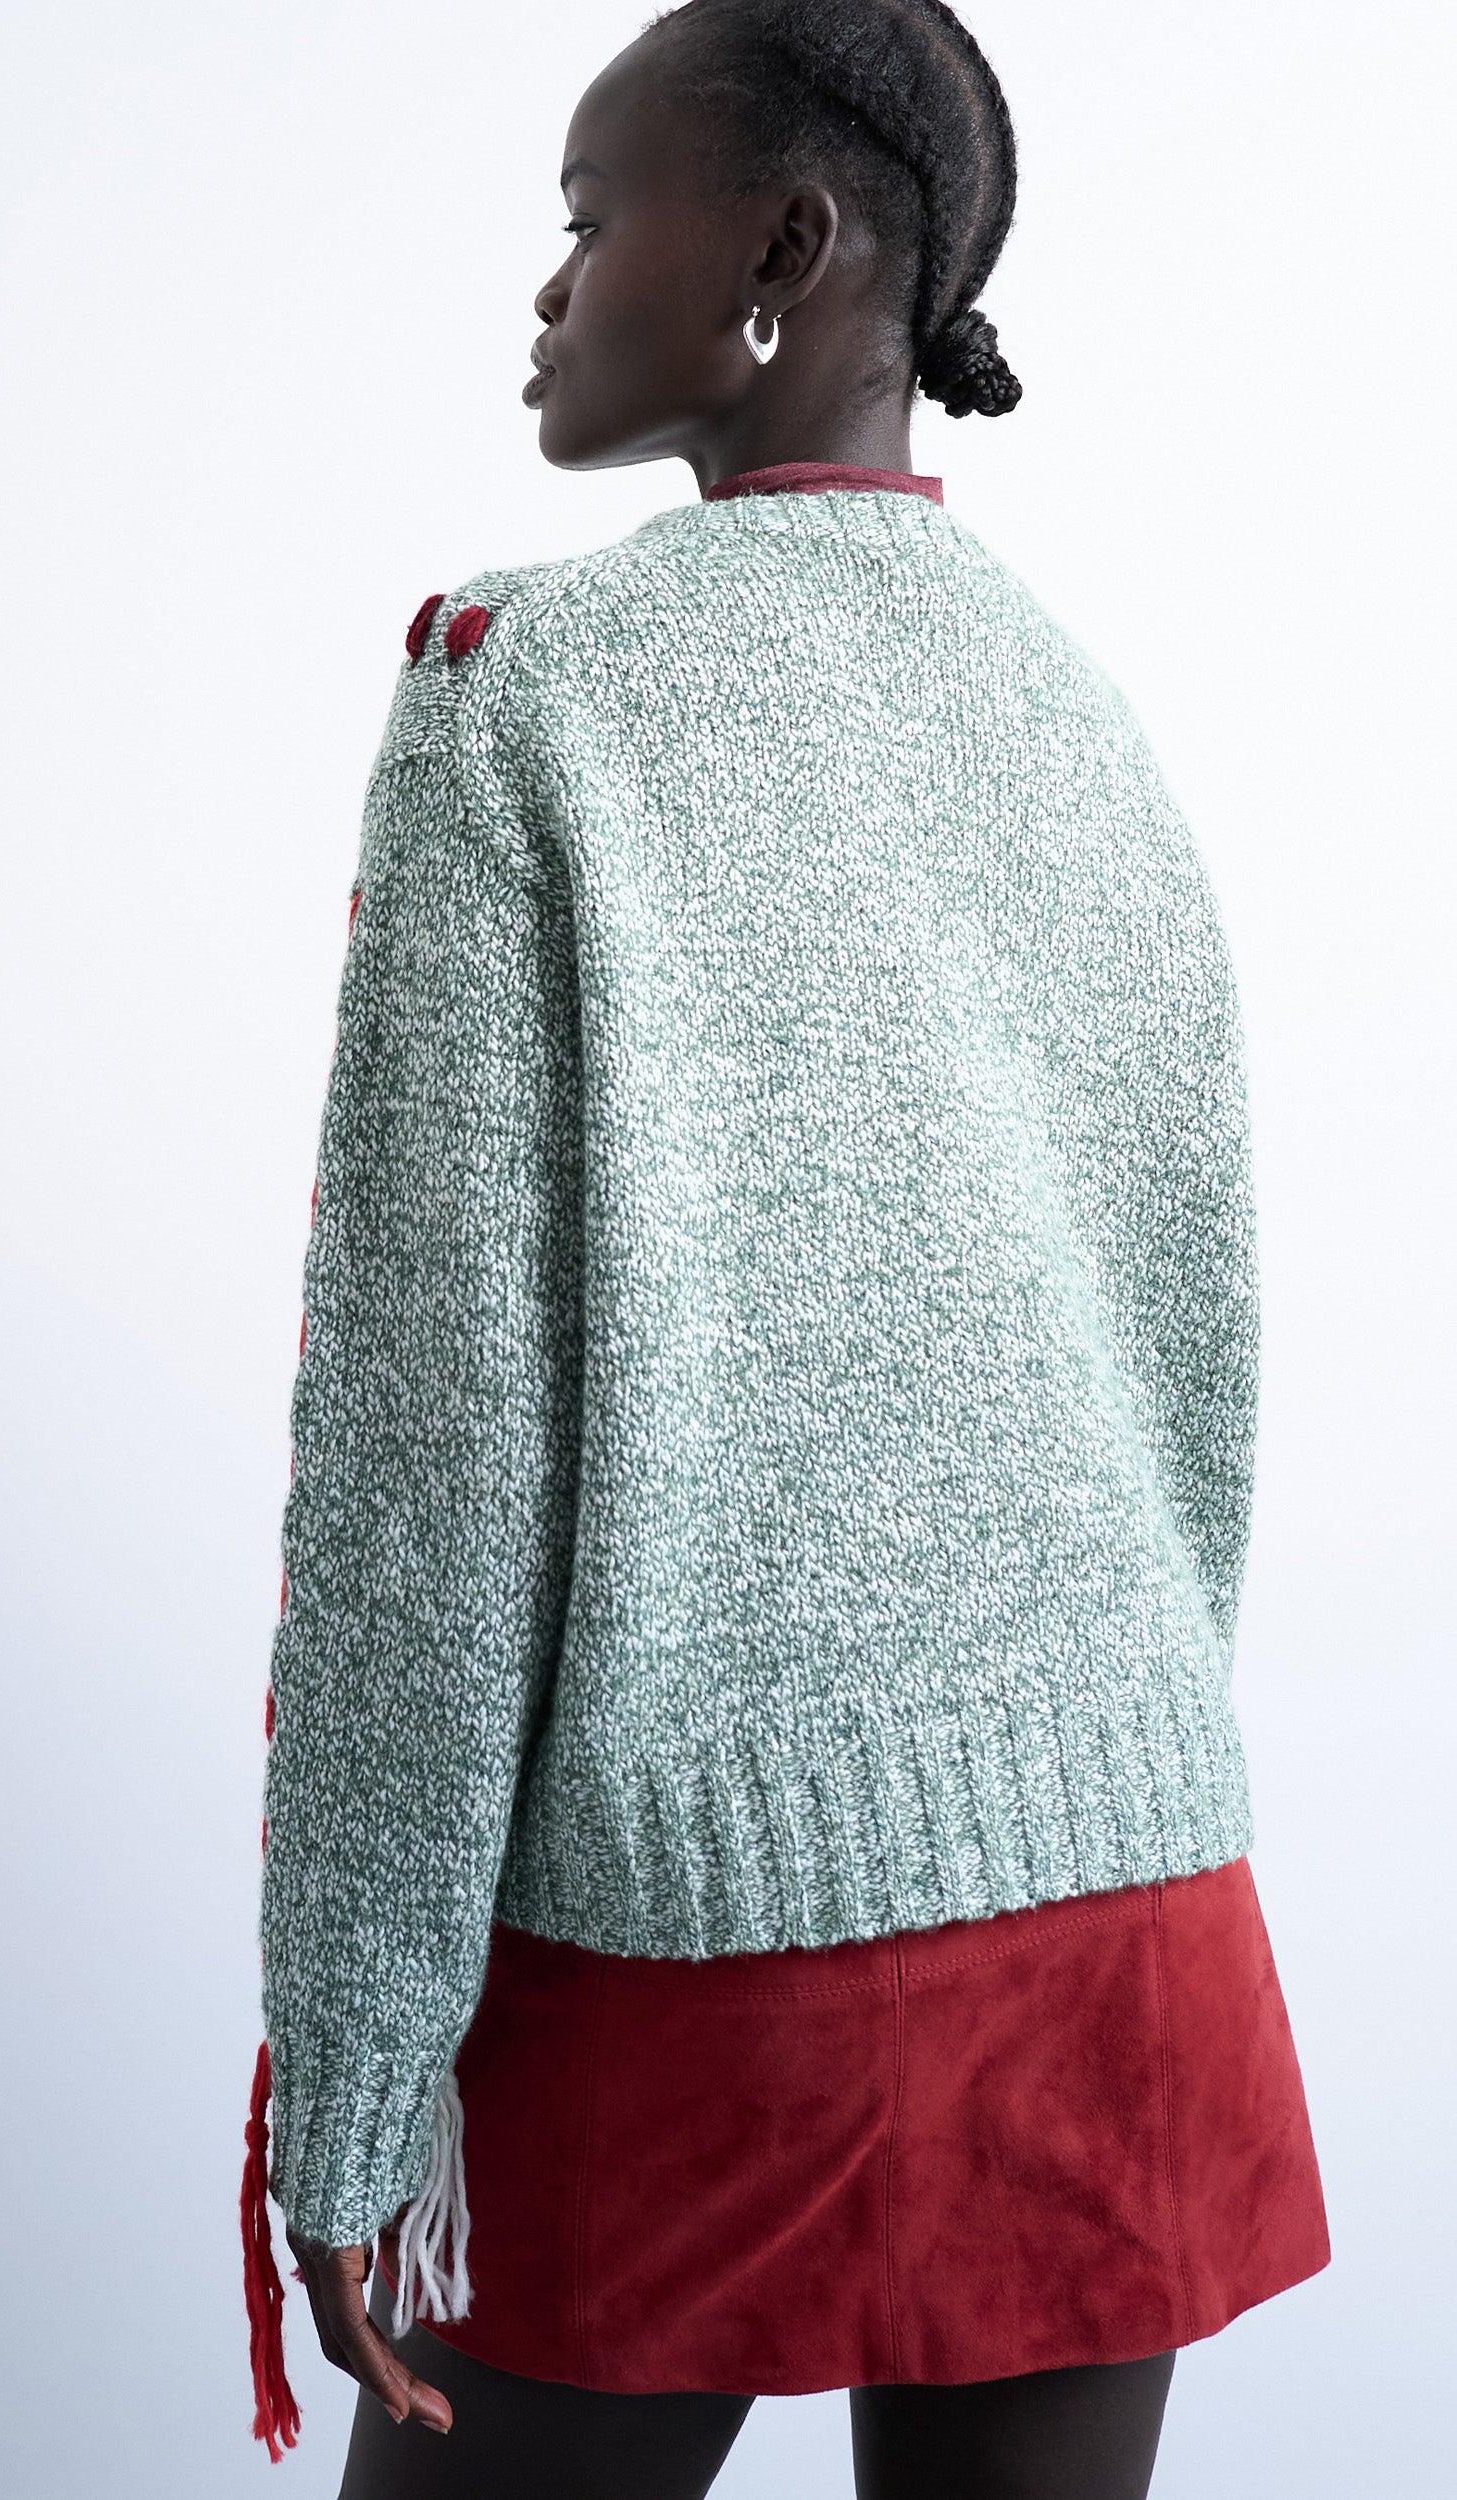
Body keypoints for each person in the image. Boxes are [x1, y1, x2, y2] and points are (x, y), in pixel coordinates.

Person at [240, 4, 1329, 2493]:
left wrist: (355, 2066)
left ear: (784, 245)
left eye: (588, 214)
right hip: (1124, 1917)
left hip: (693, 1954)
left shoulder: (523, 694)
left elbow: (428, 1464)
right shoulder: (1084, 718)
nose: (548, 287)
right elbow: (1192, 1374)